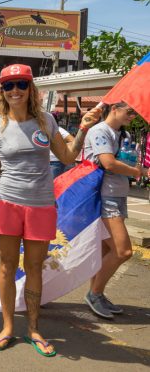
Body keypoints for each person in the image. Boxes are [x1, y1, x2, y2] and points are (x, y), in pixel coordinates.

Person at [0, 64, 100, 356]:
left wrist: (83, 128)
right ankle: (8, 328)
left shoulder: (46, 120)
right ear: (3, 92)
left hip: (41, 205)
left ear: (30, 88)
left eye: (21, 84)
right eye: (8, 86)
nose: (15, 91)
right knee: (8, 266)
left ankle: (34, 328)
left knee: (34, 267)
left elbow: (68, 158)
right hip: (7, 203)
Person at [84, 102, 147, 319]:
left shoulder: (123, 134)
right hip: (104, 195)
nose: (133, 115)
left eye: (135, 112)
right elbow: (108, 163)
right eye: (129, 111)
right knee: (123, 251)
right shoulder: (100, 131)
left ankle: (97, 294)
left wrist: (138, 169)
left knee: (104, 251)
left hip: (117, 195)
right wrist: (134, 172)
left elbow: (124, 162)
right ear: (114, 109)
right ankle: (94, 293)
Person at [49, 112, 74, 179]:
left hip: (55, 162)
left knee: (53, 184)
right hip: (46, 161)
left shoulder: (59, 130)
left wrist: (62, 147)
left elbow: (72, 140)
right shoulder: (45, 128)